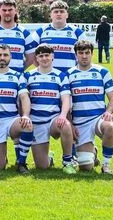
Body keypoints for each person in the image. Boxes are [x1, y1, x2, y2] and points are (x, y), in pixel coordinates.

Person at [67, 40, 113, 174]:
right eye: (81, 53)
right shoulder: (68, 75)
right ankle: (92, 152)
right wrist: (70, 124)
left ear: (92, 54)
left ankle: (106, 164)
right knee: (86, 167)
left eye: (87, 53)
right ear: (76, 55)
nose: (84, 56)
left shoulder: (103, 72)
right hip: (80, 123)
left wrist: (108, 112)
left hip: (98, 119)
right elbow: (65, 103)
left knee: (110, 126)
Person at [0, 44, 33, 174]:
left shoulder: (17, 76)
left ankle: (21, 162)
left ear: (10, 57)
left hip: (11, 120)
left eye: (5, 55)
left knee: (27, 126)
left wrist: (25, 115)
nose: (2, 58)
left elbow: (24, 97)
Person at [24, 44, 76, 174]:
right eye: (41, 56)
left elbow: (65, 99)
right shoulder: (28, 76)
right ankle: (50, 158)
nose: (44, 58)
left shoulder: (61, 76)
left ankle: (67, 162)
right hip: (36, 122)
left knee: (65, 125)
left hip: (54, 119)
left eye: (47, 55)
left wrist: (63, 115)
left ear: (52, 56)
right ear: (36, 58)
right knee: (42, 167)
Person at [32, 0, 85, 72]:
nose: (59, 14)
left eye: (62, 11)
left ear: (67, 15)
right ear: (50, 14)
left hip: (70, 76)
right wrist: (43, 69)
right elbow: (31, 54)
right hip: (49, 77)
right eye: (56, 11)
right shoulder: (40, 32)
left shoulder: (78, 33)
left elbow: (84, 56)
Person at [0, 0, 36, 72]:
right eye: (4, 10)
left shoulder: (24, 33)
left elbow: (31, 58)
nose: (7, 13)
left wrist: (18, 72)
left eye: (10, 10)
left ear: (15, 11)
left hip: (17, 80)